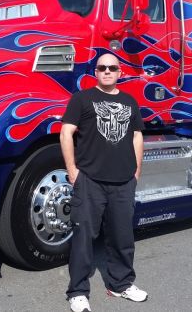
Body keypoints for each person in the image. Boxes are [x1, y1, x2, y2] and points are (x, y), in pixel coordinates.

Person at [60, 53, 147, 312]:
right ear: (96, 72)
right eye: (102, 67)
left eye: (112, 68)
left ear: (120, 72)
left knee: (123, 237)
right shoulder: (82, 99)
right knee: (83, 238)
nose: (107, 71)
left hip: (123, 181)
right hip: (90, 180)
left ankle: (121, 284)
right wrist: (73, 171)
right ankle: (78, 291)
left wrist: (136, 172)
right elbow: (66, 133)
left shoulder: (129, 101)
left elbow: (137, 136)